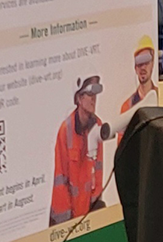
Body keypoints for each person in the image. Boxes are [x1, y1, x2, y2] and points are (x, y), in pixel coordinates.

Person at [50, 74, 105, 226]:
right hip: (66, 216)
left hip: (87, 212)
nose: (94, 99)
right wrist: (66, 223)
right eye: (89, 94)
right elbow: (60, 179)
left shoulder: (97, 126)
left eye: (95, 94)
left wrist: (95, 209)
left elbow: (98, 170)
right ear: (79, 99)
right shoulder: (65, 131)